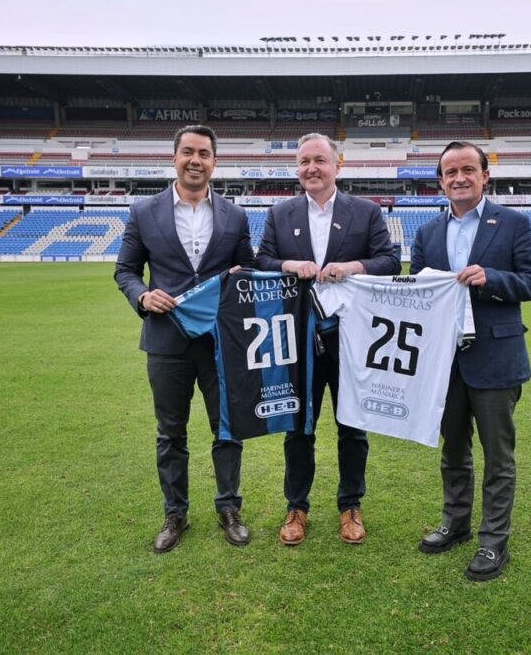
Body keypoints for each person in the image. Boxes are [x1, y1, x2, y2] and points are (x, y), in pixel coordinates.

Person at [410, 141, 531, 581]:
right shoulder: (427, 233)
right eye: (450, 172)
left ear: (485, 175)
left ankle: (493, 542)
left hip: (496, 358)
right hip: (444, 362)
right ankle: (455, 523)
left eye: (468, 169)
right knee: (453, 450)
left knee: (498, 458)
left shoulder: (513, 223)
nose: (459, 178)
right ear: (440, 182)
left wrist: (492, 278)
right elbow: (416, 292)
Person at [115, 124, 254, 553]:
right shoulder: (144, 212)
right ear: (174, 158)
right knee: (170, 432)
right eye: (188, 152)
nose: (196, 160)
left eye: (204, 154)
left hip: (220, 342)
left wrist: (242, 274)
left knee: (227, 428)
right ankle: (175, 513)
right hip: (166, 340)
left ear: (215, 162)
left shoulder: (235, 216)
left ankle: (229, 508)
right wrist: (143, 296)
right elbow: (125, 271)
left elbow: (247, 269)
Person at [256, 132, 400, 545]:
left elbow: (390, 260)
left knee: (352, 426)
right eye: (304, 162)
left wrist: (353, 267)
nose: (311, 168)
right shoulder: (279, 213)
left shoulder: (366, 212)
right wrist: (288, 264)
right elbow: (261, 259)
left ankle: (350, 506)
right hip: (298, 337)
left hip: (351, 337)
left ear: (338, 164)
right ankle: (296, 507)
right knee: (298, 428)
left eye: (319, 160)